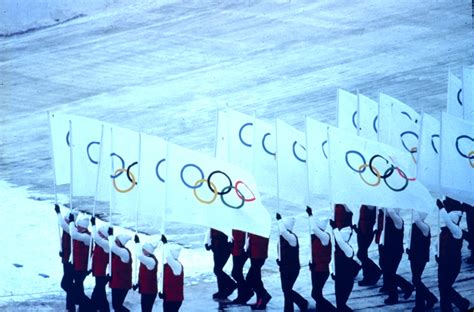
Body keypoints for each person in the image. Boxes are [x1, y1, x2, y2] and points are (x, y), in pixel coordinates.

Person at [437, 198, 471, 311]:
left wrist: (441, 208)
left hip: (452, 264)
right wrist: (435, 254)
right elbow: (435, 244)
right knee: (442, 287)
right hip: (442, 262)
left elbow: (448, 221)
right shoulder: (444, 231)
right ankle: (448, 308)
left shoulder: (457, 231)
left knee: (445, 287)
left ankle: (461, 303)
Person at [276, 213, 308, 312]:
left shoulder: (292, 238)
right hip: (284, 267)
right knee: (286, 290)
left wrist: (279, 220)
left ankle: (296, 306)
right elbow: (279, 250)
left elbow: (283, 231)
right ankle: (299, 304)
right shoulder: (281, 238)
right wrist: (279, 260)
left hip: (292, 268)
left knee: (287, 289)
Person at [306, 206, 336, 312]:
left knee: (315, 294)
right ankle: (321, 309)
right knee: (317, 293)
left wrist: (310, 215)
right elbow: (312, 252)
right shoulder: (317, 238)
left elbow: (314, 228)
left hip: (322, 271)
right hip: (315, 269)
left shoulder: (325, 237)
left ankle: (332, 310)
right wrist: (310, 262)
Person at [407, 211, 437, 311]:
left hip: (421, 257)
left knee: (416, 280)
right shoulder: (414, 225)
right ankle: (420, 305)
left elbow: (417, 220)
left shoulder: (425, 227)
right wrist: (408, 248)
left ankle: (430, 298)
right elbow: (409, 238)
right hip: (413, 256)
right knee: (417, 279)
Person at [383, 208, 413, 305]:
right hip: (388, 250)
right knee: (389, 273)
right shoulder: (387, 219)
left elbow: (390, 211)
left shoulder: (398, 221)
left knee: (390, 273)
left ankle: (394, 296)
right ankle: (407, 287)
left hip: (395, 252)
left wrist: (388, 202)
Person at [330, 220, 360, 312]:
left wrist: (334, 228)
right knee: (339, 304)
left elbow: (339, 241)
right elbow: (332, 261)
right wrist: (332, 272)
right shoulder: (337, 248)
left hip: (347, 281)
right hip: (339, 279)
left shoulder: (348, 249)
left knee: (341, 304)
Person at [55, 205, 78, 312]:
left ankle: (78, 299)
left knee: (66, 284)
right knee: (69, 284)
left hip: (70, 261)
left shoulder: (71, 229)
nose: (64, 220)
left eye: (66, 219)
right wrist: (62, 252)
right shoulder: (68, 229)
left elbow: (62, 224)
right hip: (66, 259)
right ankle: (70, 307)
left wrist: (58, 213)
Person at [205, 228, 236, 300]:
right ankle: (222, 290)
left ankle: (232, 284)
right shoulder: (214, 221)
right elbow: (209, 231)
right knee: (218, 269)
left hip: (225, 246)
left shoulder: (225, 222)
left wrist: (231, 244)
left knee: (217, 270)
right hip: (216, 247)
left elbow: (231, 233)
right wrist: (208, 242)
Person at [71, 215, 93, 311]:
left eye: (78, 226)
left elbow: (73, 234)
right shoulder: (81, 234)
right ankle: (84, 308)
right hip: (77, 266)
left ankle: (90, 306)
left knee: (78, 291)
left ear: (84, 227)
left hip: (83, 267)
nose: (77, 227)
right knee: (79, 289)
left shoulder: (86, 237)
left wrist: (72, 221)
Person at [355, 205, 381, 286]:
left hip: (366, 232)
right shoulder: (366, 202)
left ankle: (376, 271)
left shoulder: (370, 203)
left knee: (361, 254)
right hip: (361, 230)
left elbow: (369, 219)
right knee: (362, 254)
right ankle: (367, 276)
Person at [246, 233, 271, 310]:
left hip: (259, 254)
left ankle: (264, 295)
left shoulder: (262, 228)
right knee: (255, 277)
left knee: (252, 277)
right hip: (254, 253)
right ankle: (260, 300)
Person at [133, 234, 158, 312]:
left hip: (150, 291)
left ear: (148, 251)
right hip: (146, 290)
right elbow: (144, 276)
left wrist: (137, 243)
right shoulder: (146, 260)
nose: (142, 251)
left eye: (144, 250)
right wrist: (138, 284)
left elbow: (139, 256)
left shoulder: (151, 261)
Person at [91, 217, 111, 312]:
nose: (98, 235)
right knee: (101, 293)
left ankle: (93, 308)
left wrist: (93, 225)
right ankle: (101, 309)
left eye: (100, 233)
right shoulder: (100, 244)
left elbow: (95, 237)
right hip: (98, 272)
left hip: (103, 273)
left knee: (97, 293)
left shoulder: (106, 244)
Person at [109, 231, 132, 312]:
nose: (114, 242)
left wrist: (110, 235)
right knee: (116, 306)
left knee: (117, 305)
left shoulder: (124, 252)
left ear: (120, 243)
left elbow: (112, 247)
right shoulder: (117, 253)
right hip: (116, 282)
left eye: (116, 241)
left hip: (122, 284)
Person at [160, 235, 184, 312]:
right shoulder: (167, 266)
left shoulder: (177, 266)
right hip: (168, 298)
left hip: (175, 299)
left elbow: (168, 257)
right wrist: (161, 291)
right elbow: (162, 279)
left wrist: (165, 244)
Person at [230, 229, 253, 304]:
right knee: (236, 272)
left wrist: (245, 248)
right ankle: (244, 293)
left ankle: (244, 294)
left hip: (241, 249)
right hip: (236, 248)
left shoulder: (244, 223)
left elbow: (247, 235)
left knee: (236, 272)